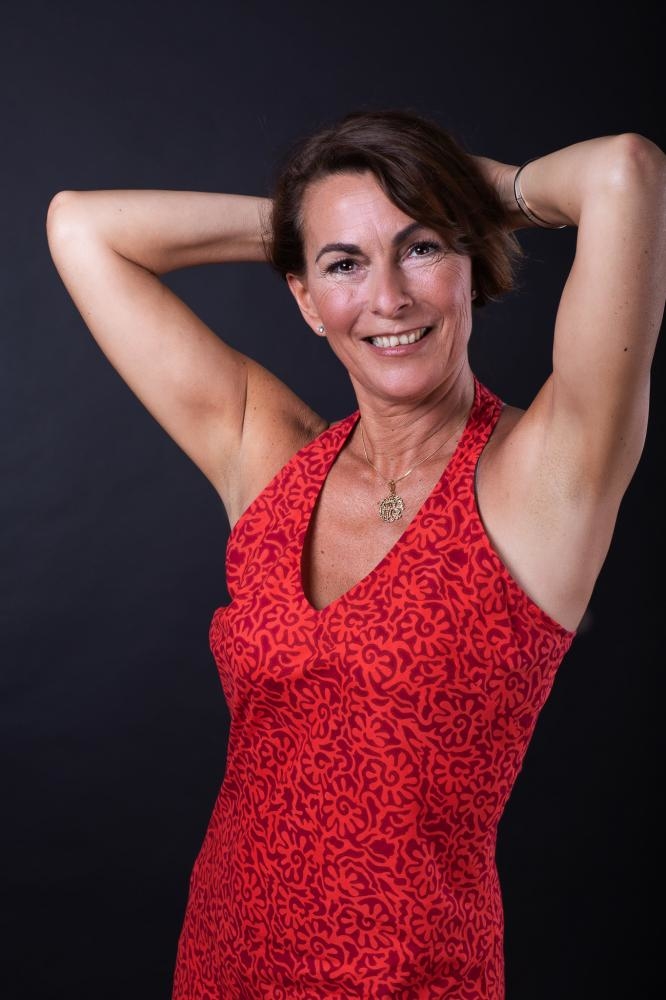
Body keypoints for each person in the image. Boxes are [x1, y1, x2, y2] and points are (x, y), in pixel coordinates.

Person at [46, 110, 665, 998]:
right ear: (304, 299)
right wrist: (312, 223)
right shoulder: (272, 457)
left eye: (423, 249)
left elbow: (624, 172)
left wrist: (477, 193)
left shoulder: (547, 476)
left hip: (412, 979)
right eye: (345, 266)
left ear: (471, 264)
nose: (389, 298)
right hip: (222, 959)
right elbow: (81, 228)